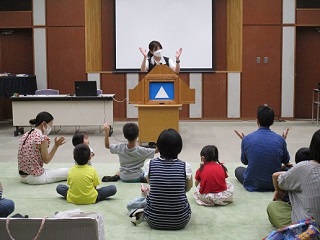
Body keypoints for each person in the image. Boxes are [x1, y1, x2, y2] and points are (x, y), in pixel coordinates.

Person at [267, 129, 320, 228]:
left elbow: (279, 180)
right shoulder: (280, 140)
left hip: (310, 232)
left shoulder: (305, 167)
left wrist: (278, 190)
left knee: (273, 207)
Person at [143, 128, 193, 230]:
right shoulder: (185, 166)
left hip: (153, 220)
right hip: (180, 220)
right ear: (179, 147)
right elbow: (188, 188)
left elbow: (151, 184)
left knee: (146, 197)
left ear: (158, 146)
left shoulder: (150, 164)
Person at [234, 105, 291, 192]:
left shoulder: (247, 139)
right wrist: (282, 141)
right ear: (272, 122)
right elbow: (286, 160)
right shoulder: (280, 139)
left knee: (238, 170)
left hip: (253, 182)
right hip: (274, 183)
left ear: (257, 121)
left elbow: (245, 161)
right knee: (289, 169)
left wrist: (245, 142)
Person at [18, 111, 69, 185]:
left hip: (22, 176)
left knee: (55, 171)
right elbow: (46, 160)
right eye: (50, 125)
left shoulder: (26, 134)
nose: (51, 127)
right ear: (44, 124)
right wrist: (56, 146)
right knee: (68, 172)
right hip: (35, 178)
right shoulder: (42, 138)